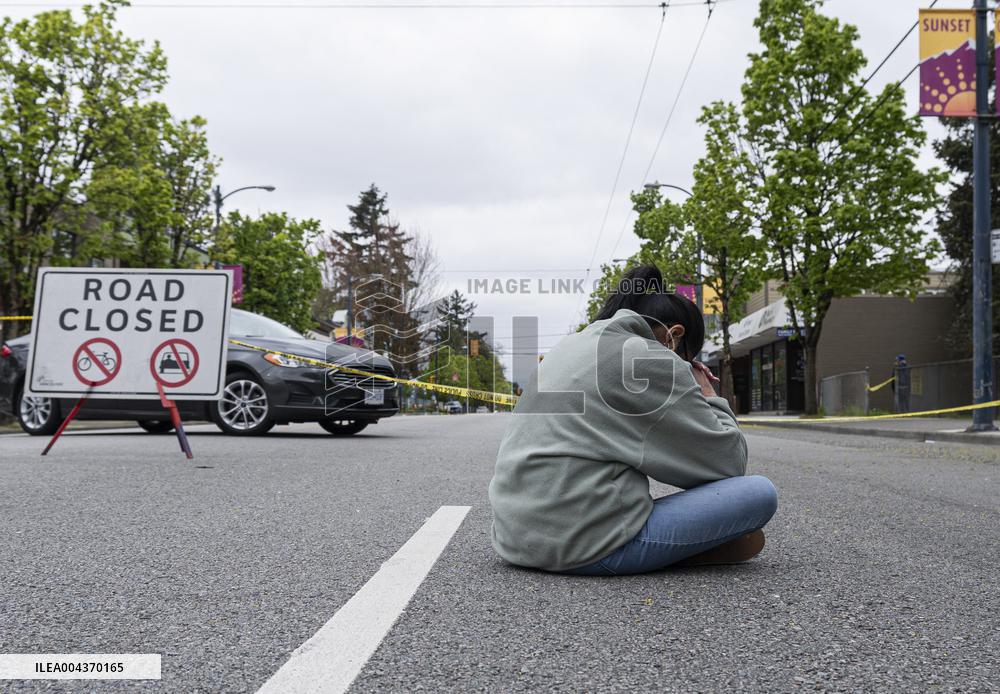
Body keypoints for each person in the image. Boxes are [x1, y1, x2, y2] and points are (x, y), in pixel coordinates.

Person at [488, 265, 778, 575]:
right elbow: (728, 463)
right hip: (586, 546)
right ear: (674, 336)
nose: (687, 368)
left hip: (513, 539)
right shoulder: (648, 358)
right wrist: (706, 390)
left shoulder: (569, 346)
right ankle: (657, 550)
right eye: (689, 359)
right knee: (759, 493)